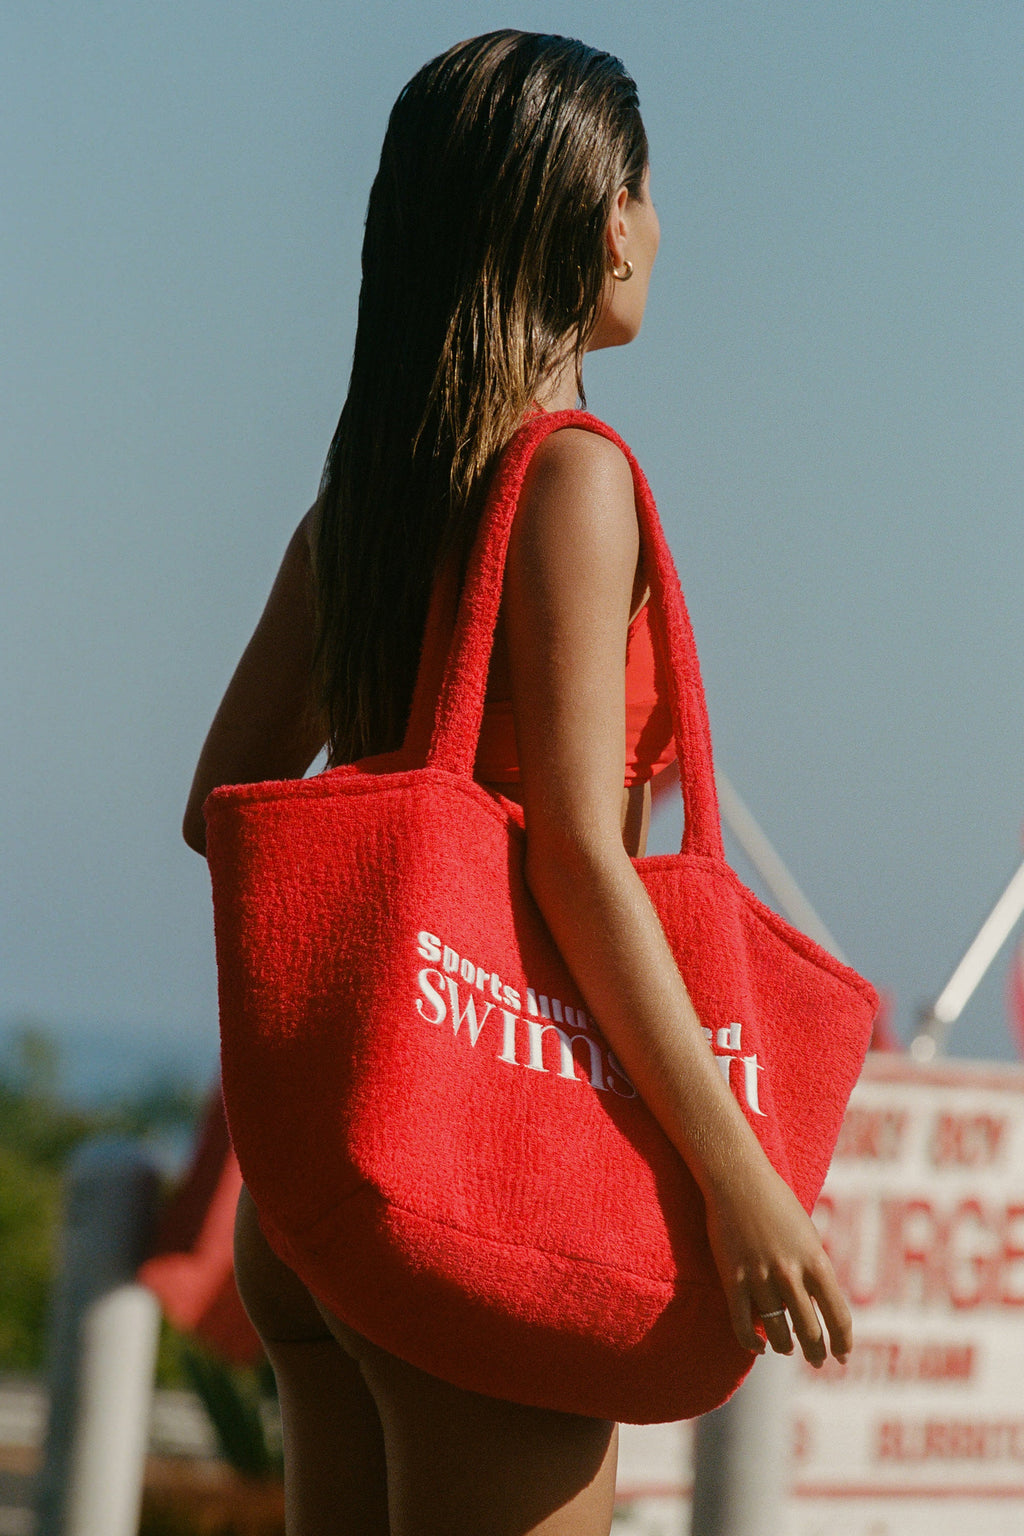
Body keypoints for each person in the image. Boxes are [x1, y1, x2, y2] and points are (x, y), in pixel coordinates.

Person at [183, 30, 852, 1536]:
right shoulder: (571, 477)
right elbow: (578, 860)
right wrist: (740, 1180)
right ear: (602, 216)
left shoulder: (354, 506)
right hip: (486, 1185)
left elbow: (222, 808)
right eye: (650, 193)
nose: (658, 232)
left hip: (328, 1195)